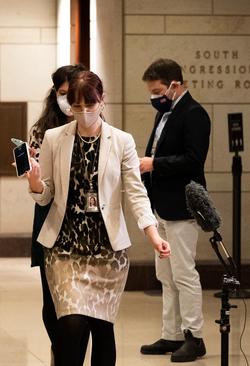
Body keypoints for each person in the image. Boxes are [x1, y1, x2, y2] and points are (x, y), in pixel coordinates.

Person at [27, 71, 171, 366]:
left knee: (102, 328)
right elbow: (46, 195)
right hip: (64, 248)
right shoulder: (55, 138)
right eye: (76, 106)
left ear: (101, 101)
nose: (82, 112)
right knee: (70, 325)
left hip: (108, 251)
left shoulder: (121, 141)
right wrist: (35, 183)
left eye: (89, 105)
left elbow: (135, 193)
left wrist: (153, 235)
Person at [139, 59, 210, 363]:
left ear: (175, 85)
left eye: (157, 90)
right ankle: (172, 334)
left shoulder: (195, 114)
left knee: (184, 274)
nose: (154, 96)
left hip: (182, 205)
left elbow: (194, 161)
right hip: (161, 205)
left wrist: (154, 164)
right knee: (165, 275)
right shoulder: (166, 114)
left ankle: (195, 336)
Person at [28, 64, 89, 364]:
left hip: (85, 223)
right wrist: (33, 175)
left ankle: (72, 356)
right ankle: (62, 353)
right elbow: (40, 186)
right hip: (49, 216)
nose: (71, 101)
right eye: (64, 94)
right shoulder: (44, 131)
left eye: (76, 94)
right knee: (52, 302)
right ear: (56, 94)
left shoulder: (95, 124)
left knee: (82, 307)